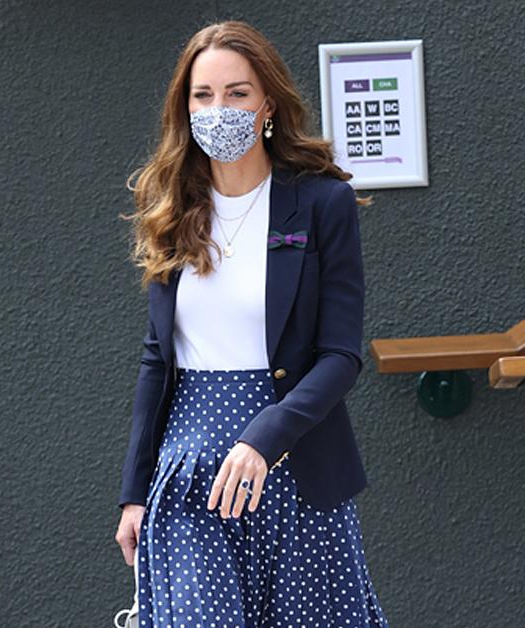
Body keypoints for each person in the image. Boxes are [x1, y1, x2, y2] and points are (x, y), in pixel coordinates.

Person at [112, 21, 388, 626]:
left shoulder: (321, 204)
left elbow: (340, 356)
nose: (219, 109)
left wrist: (264, 438)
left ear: (268, 103)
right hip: (188, 476)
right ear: (184, 109)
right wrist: (134, 491)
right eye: (203, 95)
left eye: (237, 93)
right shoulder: (169, 209)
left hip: (297, 472)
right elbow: (158, 358)